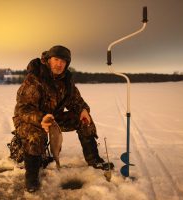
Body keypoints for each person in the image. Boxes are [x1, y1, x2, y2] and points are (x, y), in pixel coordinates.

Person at [12, 45, 114, 192]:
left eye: (64, 61)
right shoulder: (34, 79)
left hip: (54, 117)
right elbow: (23, 109)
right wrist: (41, 118)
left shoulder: (66, 81)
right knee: (36, 135)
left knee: (84, 120)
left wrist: (84, 110)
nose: (59, 64)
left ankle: (94, 160)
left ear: (67, 64)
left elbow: (77, 102)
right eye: (56, 59)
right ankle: (32, 176)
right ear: (48, 60)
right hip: (31, 119)